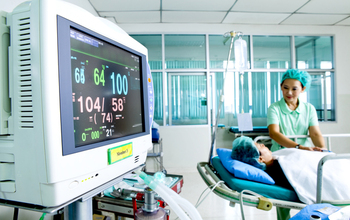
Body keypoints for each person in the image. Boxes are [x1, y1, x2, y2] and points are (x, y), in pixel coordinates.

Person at [267, 69, 325, 152]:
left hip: (304, 153)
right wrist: (299, 147)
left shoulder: (309, 108)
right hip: (281, 153)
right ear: (281, 87)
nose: (289, 93)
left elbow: (315, 133)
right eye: (286, 88)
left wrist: (322, 149)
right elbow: (274, 133)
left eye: (294, 89)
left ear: (303, 89)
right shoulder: (274, 108)